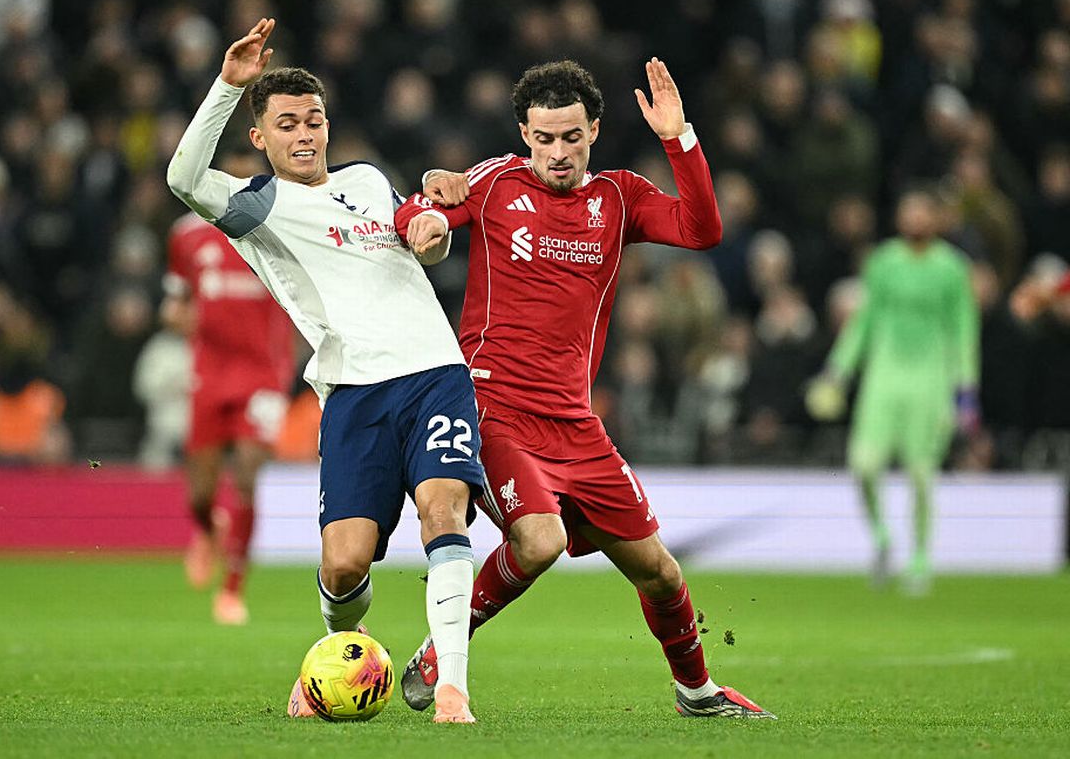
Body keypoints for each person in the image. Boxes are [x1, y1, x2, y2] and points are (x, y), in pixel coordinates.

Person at [395, 58, 775, 719]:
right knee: (538, 540)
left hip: (576, 424)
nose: (558, 152)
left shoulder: (620, 198)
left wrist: (679, 137)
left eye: (571, 136)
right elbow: (418, 209)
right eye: (544, 138)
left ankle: (697, 693)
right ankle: (442, 647)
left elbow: (703, 228)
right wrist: (421, 219)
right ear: (525, 133)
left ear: (593, 130)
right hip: (493, 409)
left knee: (660, 571)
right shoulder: (492, 183)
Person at [166, 18, 482, 724]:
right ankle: (346, 650)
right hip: (352, 393)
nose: (304, 134)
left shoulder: (367, 178)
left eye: (314, 120)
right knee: (343, 563)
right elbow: (182, 177)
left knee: (443, 509)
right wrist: (227, 86)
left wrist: (429, 233)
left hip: (433, 371)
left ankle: (454, 686)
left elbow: (415, 231)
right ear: (261, 138)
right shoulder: (258, 208)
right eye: (286, 124)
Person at [806, 187, 980, 594]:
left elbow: (963, 331)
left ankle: (920, 559)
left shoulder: (953, 268)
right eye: (909, 210)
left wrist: (966, 387)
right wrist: (837, 370)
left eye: (923, 211)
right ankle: (883, 538)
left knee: (922, 474)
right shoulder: (882, 263)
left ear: (936, 219)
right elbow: (863, 322)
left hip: (931, 381)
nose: (915, 218)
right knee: (863, 466)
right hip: (883, 377)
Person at [162, 146, 297, 626]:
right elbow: (174, 303)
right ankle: (207, 527)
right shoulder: (187, 236)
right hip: (209, 374)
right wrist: (185, 318)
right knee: (199, 496)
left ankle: (233, 588)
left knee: (246, 474)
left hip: (261, 375)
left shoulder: (276, 232)